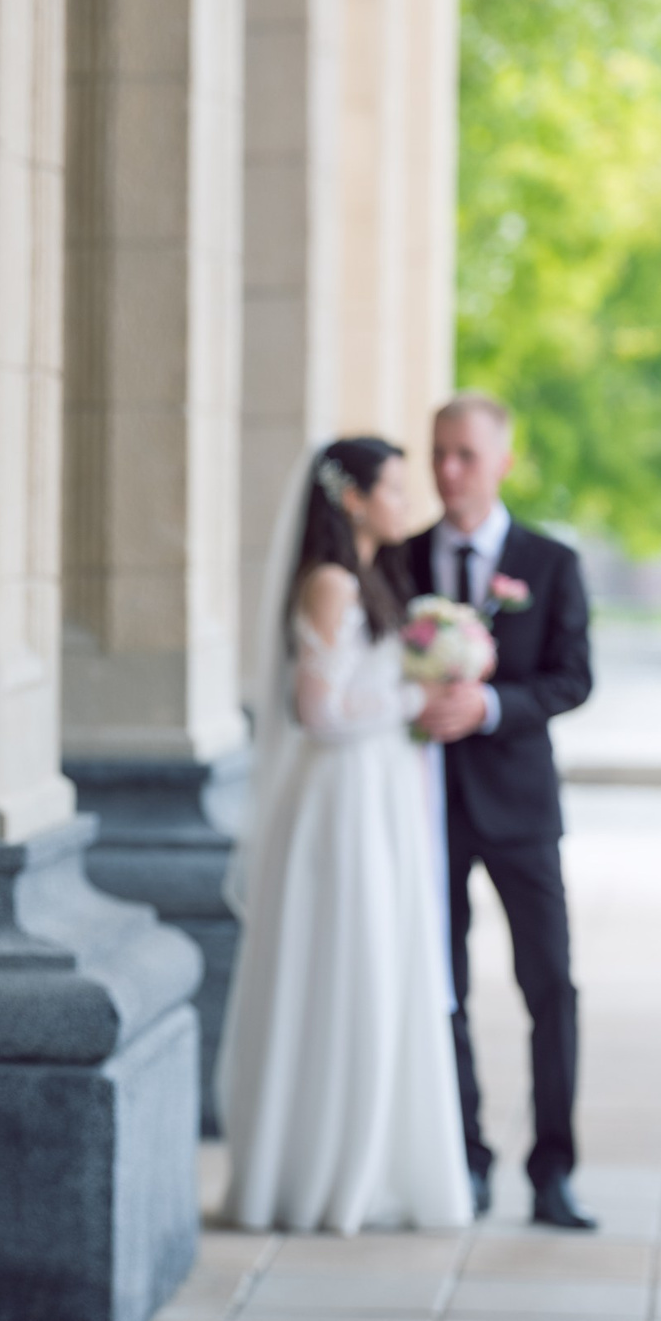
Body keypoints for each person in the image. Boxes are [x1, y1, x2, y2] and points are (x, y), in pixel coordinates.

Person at [217, 437, 474, 1237]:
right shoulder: (328, 583)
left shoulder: (374, 578)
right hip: (340, 802)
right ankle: (323, 1171)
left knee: (382, 966)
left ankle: (375, 1162)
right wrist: (411, 698)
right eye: (394, 487)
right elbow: (319, 711)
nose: (407, 500)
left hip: (380, 794)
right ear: (353, 498)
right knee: (345, 965)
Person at [400, 390, 596, 1230]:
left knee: (549, 984)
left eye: (466, 455)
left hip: (520, 808)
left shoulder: (550, 563)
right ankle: (466, 1161)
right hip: (425, 809)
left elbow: (572, 678)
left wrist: (491, 707)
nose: (448, 470)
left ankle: (552, 1172)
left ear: (502, 461)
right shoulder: (399, 562)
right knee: (442, 986)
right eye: (438, 452)